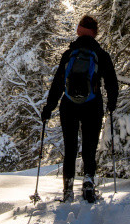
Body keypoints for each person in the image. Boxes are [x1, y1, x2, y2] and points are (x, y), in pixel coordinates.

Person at [41, 15, 118, 202]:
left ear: (79, 30)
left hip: (69, 106)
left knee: (70, 147)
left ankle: (68, 189)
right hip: (93, 105)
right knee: (90, 146)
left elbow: (58, 84)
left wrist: (48, 108)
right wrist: (111, 104)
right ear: (95, 33)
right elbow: (112, 82)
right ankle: (89, 182)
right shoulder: (101, 54)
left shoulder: (69, 54)